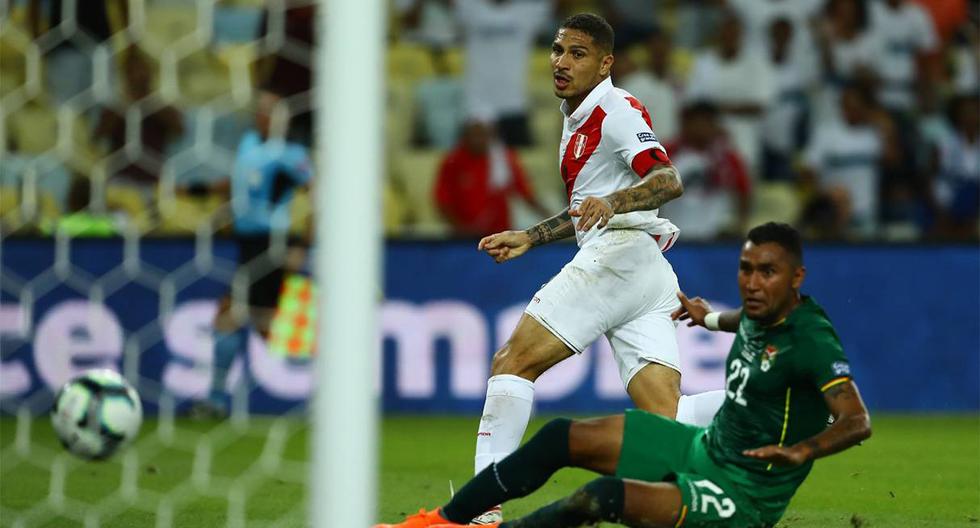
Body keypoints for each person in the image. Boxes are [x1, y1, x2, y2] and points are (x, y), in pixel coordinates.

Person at [376, 222, 873, 528]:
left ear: (797, 279)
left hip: (740, 496)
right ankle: (442, 522)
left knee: (600, 498)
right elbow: (747, 319)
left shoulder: (811, 338)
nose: (751, 282)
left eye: (767, 272)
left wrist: (802, 449)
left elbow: (856, 421)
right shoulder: (762, 312)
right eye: (746, 269)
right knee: (559, 437)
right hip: (703, 449)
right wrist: (709, 319)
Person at [465, 14, 724, 524]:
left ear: (605, 62)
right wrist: (532, 236)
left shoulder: (617, 110)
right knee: (664, 419)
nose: (562, 62)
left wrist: (617, 200)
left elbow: (668, 180)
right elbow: (590, 207)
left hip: (618, 259)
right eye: (558, 50)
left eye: (577, 53)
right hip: (644, 269)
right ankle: (767, 399)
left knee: (512, 363)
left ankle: (480, 509)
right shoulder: (578, 114)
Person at [188, 91, 312, 418]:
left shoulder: (290, 155)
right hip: (248, 244)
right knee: (265, 325)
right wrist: (196, 191)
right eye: (261, 111)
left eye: (271, 112)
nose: (263, 116)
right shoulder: (248, 145)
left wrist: (301, 247)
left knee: (230, 315)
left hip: (272, 243)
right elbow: (238, 184)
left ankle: (214, 401)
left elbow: (318, 197)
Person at [434, 112, 545, 235]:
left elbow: (526, 194)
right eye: (474, 134)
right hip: (464, 238)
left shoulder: (504, 158)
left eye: (482, 134)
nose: (478, 140)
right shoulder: (452, 161)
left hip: (499, 235)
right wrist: (460, 230)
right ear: (465, 135)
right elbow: (442, 201)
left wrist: (550, 219)